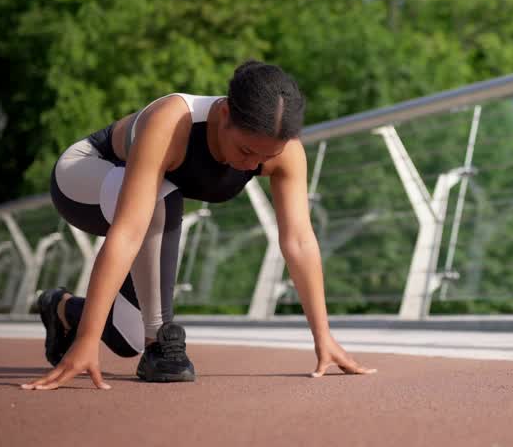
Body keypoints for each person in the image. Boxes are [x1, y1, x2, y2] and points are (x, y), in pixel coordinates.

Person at [21, 60, 375, 390]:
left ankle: (63, 308)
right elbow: (129, 232)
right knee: (165, 196)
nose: (253, 164)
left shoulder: (284, 152)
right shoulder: (173, 121)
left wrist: (323, 336)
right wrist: (85, 343)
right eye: (247, 151)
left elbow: (299, 242)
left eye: (268, 156)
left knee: (126, 339)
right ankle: (160, 342)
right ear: (224, 115)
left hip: (148, 215)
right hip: (83, 179)